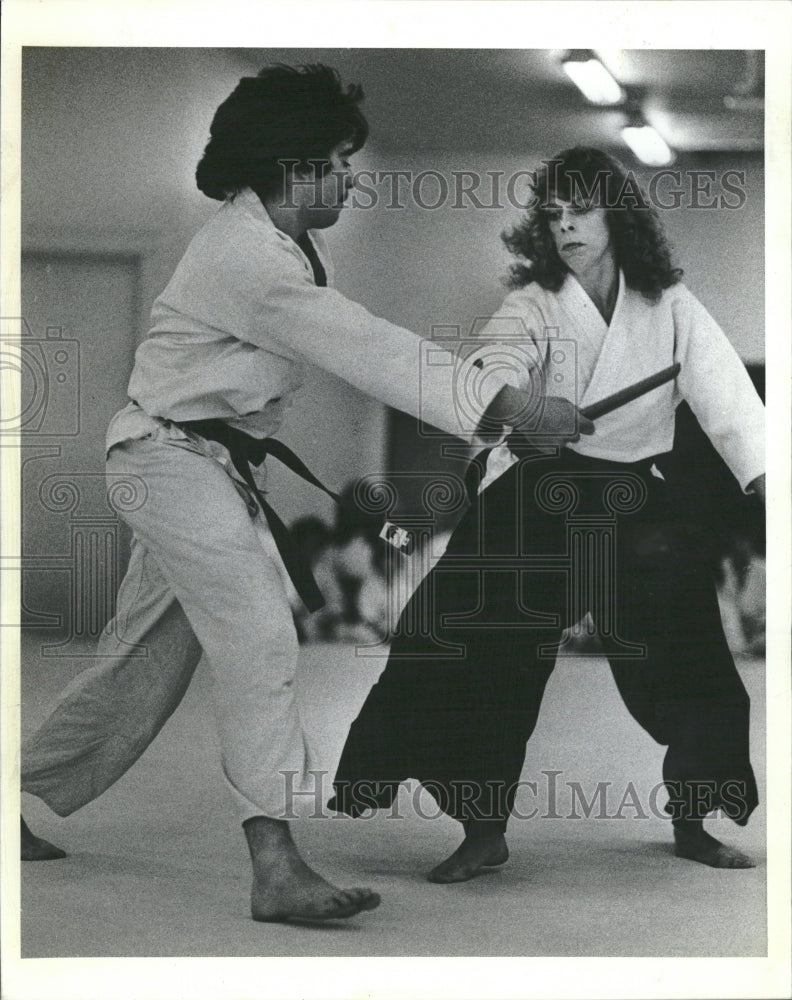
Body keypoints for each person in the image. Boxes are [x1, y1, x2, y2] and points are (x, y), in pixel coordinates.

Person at [19, 65, 570, 923]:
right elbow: (366, 345)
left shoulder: (292, 248)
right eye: (339, 160)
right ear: (290, 165)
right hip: (165, 461)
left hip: (203, 464)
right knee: (260, 631)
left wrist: (491, 419)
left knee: (139, 662)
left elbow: (358, 344)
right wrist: (513, 402)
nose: (352, 177)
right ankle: (274, 865)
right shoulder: (244, 256)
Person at [329, 146, 765, 883]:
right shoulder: (533, 302)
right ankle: (482, 826)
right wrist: (525, 404)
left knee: (686, 654)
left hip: (635, 500)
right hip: (541, 491)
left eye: (582, 210)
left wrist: (766, 480)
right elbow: (497, 363)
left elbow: (729, 401)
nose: (566, 227)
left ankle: (692, 820)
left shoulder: (671, 306)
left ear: (617, 213)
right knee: (468, 639)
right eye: (554, 214)